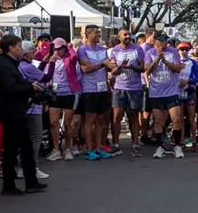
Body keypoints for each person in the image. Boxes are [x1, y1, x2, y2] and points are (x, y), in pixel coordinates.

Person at [0, 34, 47, 196]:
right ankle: (11, 184)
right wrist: (30, 89)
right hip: (11, 112)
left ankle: (28, 181)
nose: (21, 49)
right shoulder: (5, 65)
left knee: (22, 147)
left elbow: (17, 83)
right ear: (10, 48)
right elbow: (10, 89)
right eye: (18, 46)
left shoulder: (11, 64)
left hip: (16, 111)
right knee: (15, 149)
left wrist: (30, 85)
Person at [77, 24, 115, 161]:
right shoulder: (82, 49)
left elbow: (107, 69)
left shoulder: (103, 49)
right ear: (87, 35)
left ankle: (99, 147)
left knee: (100, 119)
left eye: (99, 32)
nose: (99, 35)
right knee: (90, 119)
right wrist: (102, 64)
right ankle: (89, 149)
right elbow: (85, 69)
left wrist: (112, 70)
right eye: (96, 33)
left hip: (102, 88)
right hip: (89, 89)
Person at [145, 33, 184, 159]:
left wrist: (165, 61)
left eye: (166, 40)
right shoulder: (149, 53)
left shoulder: (173, 52)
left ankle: (177, 146)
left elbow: (177, 69)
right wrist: (157, 59)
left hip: (171, 92)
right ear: (155, 41)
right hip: (156, 93)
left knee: (176, 119)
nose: (164, 43)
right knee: (157, 121)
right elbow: (148, 70)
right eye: (161, 40)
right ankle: (160, 147)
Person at [107, 29, 145, 157]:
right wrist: (120, 67)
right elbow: (112, 72)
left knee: (133, 116)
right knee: (116, 116)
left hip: (135, 88)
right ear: (119, 37)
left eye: (129, 34)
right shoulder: (115, 50)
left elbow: (142, 67)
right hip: (119, 87)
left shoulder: (137, 49)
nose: (128, 36)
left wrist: (132, 67)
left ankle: (135, 144)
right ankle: (116, 145)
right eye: (125, 35)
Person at [18, 41, 52, 180]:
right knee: (36, 137)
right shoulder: (25, 65)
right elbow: (46, 77)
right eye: (32, 50)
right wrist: (53, 63)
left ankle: (25, 167)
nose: (34, 52)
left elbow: (37, 73)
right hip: (31, 106)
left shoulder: (23, 65)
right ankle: (31, 167)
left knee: (28, 138)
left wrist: (44, 63)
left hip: (27, 105)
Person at [45, 38, 81, 161]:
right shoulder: (51, 60)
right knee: (53, 122)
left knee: (67, 123)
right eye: (55, 48)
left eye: (59, 48)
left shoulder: (70, 59)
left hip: (69, 93)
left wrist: (70, 47)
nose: (57, 51)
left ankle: (68, 148)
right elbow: (45, 75)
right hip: (55, 93)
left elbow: (75, 56)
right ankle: (56, 149)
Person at [178, 42, 198, 149]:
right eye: (181, 49)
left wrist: (188, 81)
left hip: (190, 91)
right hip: (177, 91)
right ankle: (181, 140)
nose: (184, 51)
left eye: (186, 49)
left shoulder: (193, 62)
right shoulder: (175, 62)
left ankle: (194, 140)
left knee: (191, 118)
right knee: (180, 118)